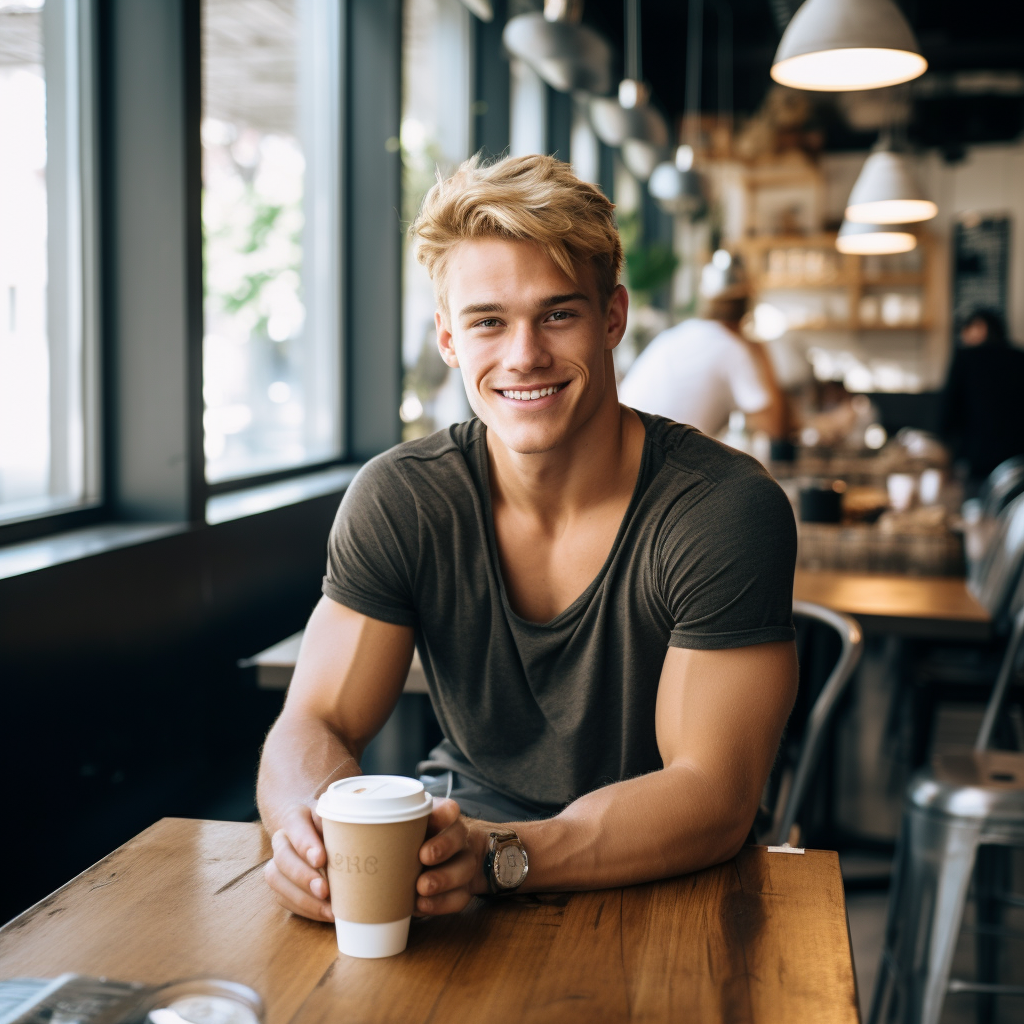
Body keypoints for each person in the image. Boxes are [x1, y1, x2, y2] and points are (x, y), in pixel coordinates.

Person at [257, 154, 798, 922]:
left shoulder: (720, 508)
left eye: (557, 314)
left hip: (672, 874)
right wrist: (313, 844)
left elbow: (711, 794)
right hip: (457, 863)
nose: (523, 357)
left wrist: (500, 857)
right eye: (487, 321)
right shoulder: (403, 498)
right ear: (448, 339)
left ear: (612, 317)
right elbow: (313, 722)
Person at [619, 255, 788, 440]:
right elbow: (774, 427)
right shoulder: (732, 348)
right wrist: (760, 351)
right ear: (748, 305)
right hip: (656, 459)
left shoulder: (677, 335)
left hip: (625, 446)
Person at [940, 308, 1024, 488]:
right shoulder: (1019, 358)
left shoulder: (966, 359)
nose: (963, 335)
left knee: (976, 508)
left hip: (977, 458)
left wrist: (947, 450)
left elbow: (949, 409)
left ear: (981, 327)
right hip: (1018, 458)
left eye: (967, 328)